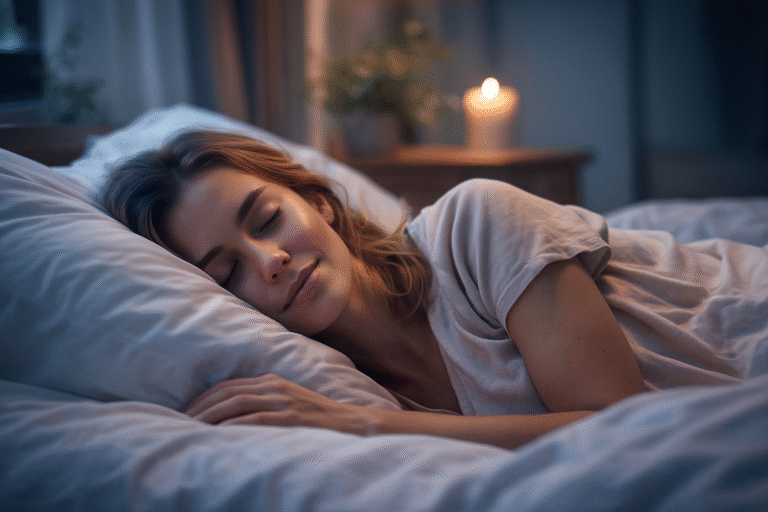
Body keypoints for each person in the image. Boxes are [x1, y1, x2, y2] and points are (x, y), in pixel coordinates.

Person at [101, 130, 768, 450]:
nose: (269, 261)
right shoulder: (333, 385)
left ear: (318, 203)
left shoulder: (472, 223)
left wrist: (371, 426)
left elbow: (621, 429)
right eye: (226, 272)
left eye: (269, 219)